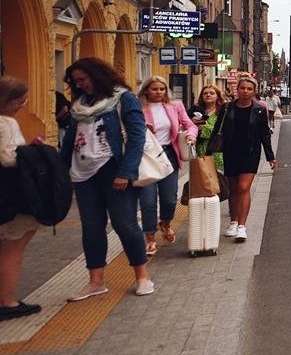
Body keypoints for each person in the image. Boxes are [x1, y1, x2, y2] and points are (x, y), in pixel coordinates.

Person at [60, 58, 153, 300]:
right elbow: (71, 139)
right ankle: (95, 282)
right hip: (82, 172)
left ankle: (142, 277)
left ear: (97, 75)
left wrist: (126, 172)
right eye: (75, 82)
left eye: (83, 79)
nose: (79, 85)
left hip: (114, 170)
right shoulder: (80, 104)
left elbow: (136, 137)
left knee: (125, 224)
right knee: (91, 227)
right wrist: (60, 170)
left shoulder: (123, 99)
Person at [136, 77, 197, 255]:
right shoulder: (138, 107)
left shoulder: (175, 105)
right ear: (146, 90)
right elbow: (126, 128)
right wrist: (142, 128)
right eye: (154, 89)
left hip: (169, 154)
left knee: (170, 198)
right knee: (148, 201)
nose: (159, 92)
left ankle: (166, 223)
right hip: (146, 157)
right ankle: (149, 238)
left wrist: (191, 135)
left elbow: (190, 124)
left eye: (162, 89)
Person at [216, 75, 275, 242]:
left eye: (249, 89)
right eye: (243, 88)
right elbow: (217, 131)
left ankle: (242, 226)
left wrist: (270, 156)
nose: (245, 91)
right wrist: (208, 152)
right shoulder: (227, 108)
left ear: (254, 91)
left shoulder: (258, 109)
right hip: (230, 152)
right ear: (237, 89)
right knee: (233, 188)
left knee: (243, 188)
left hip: (250, 153)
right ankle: (233, 222)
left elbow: (264, 134)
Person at [0, 77, 41, 319]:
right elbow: (8, 158)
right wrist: (33, 153)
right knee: (12, 248)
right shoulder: (5, 123)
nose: (23, 105)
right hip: (10, 191)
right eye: (20, 100)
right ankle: (7, 301)